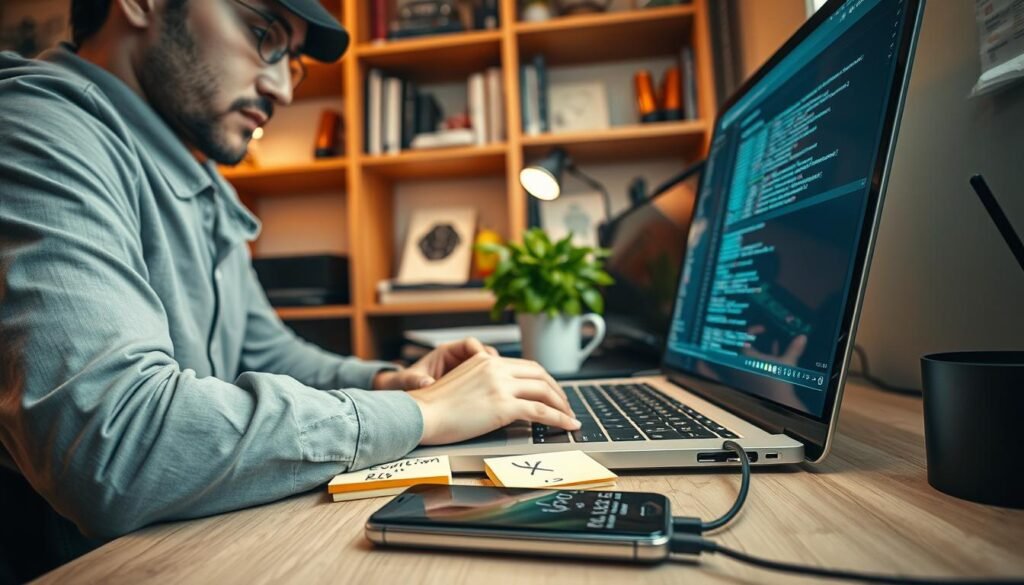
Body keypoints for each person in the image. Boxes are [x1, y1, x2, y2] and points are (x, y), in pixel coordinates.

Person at [0, 0, 581, 577]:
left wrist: (389, 382)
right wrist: (420, 413)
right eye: (264, 35)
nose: (281, 88)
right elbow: (113, 443)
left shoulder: (199, 177)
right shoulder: (38, 127)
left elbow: (266, 353)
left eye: (293, 60)